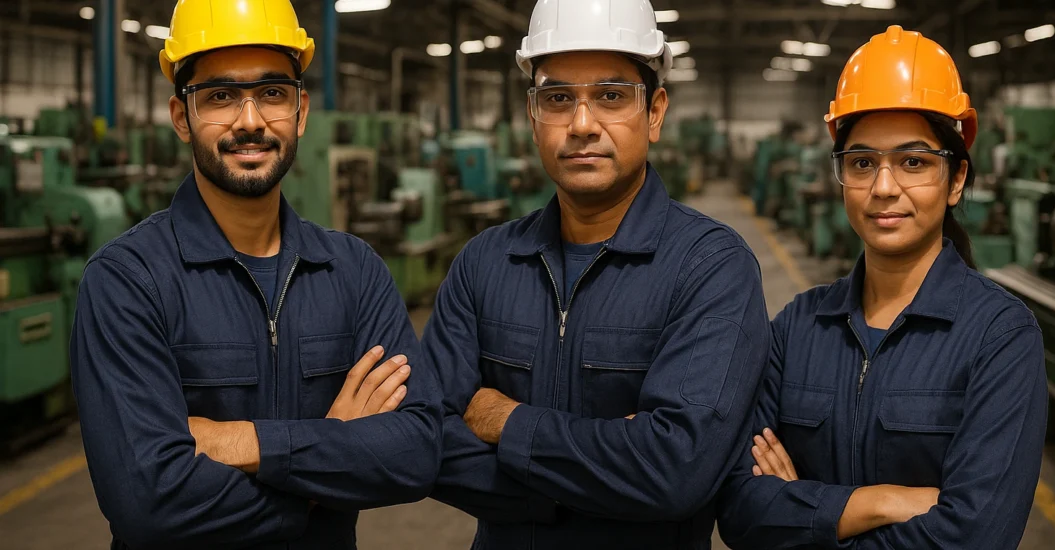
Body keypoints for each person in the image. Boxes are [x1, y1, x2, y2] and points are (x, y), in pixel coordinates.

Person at [69, 1, 442, 547]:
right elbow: (147, 504)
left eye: (272, 93)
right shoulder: (127, 281)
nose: (250, 121)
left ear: (301, 111)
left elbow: (416, 453)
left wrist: (240, 443)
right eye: (220, 96)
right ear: (181, 116)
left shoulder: (354, 270)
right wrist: (332, 454)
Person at [422, 1, 770, 548]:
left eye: (611, 97)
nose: (582, 125)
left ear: (655, 113)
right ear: (533, 115)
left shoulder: (710, 267)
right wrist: (597, 481)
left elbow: (677, 470)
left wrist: (505, 422)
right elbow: (425, 443)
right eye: (558, 98)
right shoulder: (484, 263)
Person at [715, 25, 1047, 549]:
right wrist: (879, 501)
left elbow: (977, 535)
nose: (884, 187)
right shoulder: (797, 328)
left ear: (956, 179)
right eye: (863, 162)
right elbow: (737, 509)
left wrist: (804, 510)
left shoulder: (999, 337)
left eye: (914, 162)